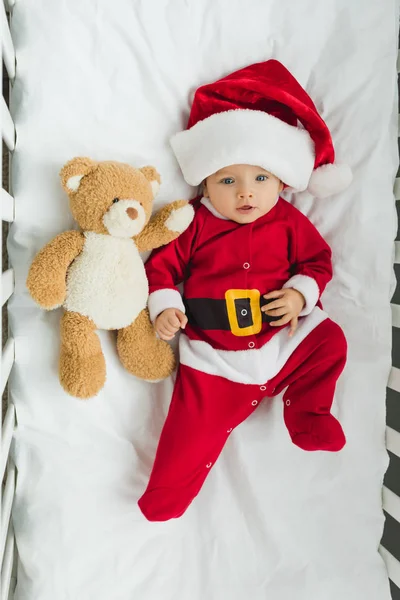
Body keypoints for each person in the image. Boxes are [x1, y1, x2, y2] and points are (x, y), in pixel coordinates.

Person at [138, 59, 352, 522]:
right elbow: (162, 266)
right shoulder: (194, 223)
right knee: (188, 434)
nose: (245, 194)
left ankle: (307, 410)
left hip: (281, 340)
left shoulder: (290, 222)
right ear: (206, 184)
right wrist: (166, 307)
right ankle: (165, 498)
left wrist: (299, 295)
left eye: (260, 179)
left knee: (331, 341)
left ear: (280, 181)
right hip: (216, 358)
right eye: (227, 181)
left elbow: (318, 262)